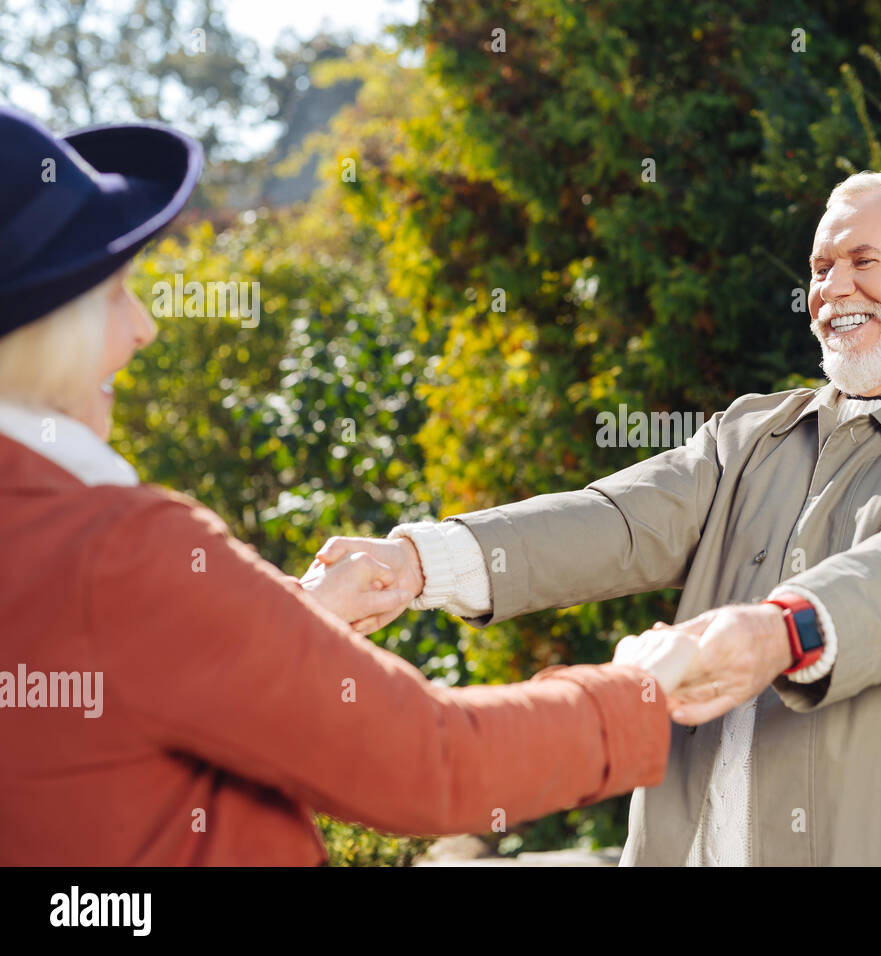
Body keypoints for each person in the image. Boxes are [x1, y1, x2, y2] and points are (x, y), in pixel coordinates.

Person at [0, 106, 697, 866]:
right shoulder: (118, 551)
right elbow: (435, 763)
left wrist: (290, 624)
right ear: (43, 330)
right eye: (113, 295)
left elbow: (126, 690)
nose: (144, 328)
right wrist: (635, 695)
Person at [318, 171, 881, 866]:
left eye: (862, 261)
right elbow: (611, 522)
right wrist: (416, 561)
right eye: (819, 268)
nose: (831, 289)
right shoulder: (749, 435)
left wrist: (782, 632)